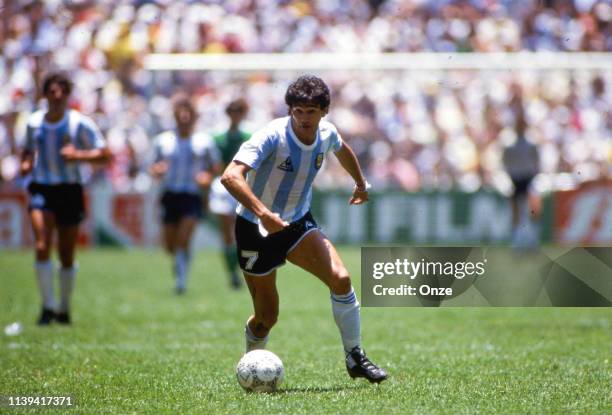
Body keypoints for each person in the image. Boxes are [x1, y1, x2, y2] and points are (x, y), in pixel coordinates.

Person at [221, 75, 387, 383]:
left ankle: (355, 357)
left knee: (341, 278)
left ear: (324, 111)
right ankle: (250, 364)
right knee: (266, 318)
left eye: (311, 111)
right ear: (290, 110)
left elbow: (342, 148)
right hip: (254, 228)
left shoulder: (326, 133)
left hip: (298, 223)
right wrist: (263, 213)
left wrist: (361, 184)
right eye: (298, 111)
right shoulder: (272, 136)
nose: (304, 118)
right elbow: (230, 176)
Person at [20, 71, 110, 325]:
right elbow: (27, 151)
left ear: (67, 95)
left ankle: (64, 307)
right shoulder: (34, 122)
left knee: (66, 253)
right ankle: (47, 307)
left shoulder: (79, 123)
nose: (56, 96)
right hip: (42, 188)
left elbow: (105, 155)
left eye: (61, 91)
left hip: (69, 190)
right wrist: (26, 164)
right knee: (41, 244)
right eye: (52, 91)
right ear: (45, 94)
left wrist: (79, 156)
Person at [150, 97, 220, 294]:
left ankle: (181, 281)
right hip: (170, 194)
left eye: (188, 113)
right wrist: (157, 170)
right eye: (180, 113)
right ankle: (180, 263)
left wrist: (207, 176)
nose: (184, 117)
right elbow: (153, 167)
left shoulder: (204, 141)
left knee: (183, 238)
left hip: (191, 195)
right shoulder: (163, 140)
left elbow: (215, 167)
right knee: (170, 245)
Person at [209, 99, 251, 289]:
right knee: (227, 234)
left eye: (238, 111)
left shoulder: (249, 136)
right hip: (222, 187)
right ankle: (232, 273)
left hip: (244, 186)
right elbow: (213, 165)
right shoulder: (218, 138)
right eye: (232, 110)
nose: (235, 114)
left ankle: (243, 270)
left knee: (242, 233)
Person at [502, 108, 541, 250]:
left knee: (533, 208)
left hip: (529, 178)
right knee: (516, 210)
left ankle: (532, 240)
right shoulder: (509, 143)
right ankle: (517, 241)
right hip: (515, 178)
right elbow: (505, 162)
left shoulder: (531, 143)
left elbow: (537, 162)